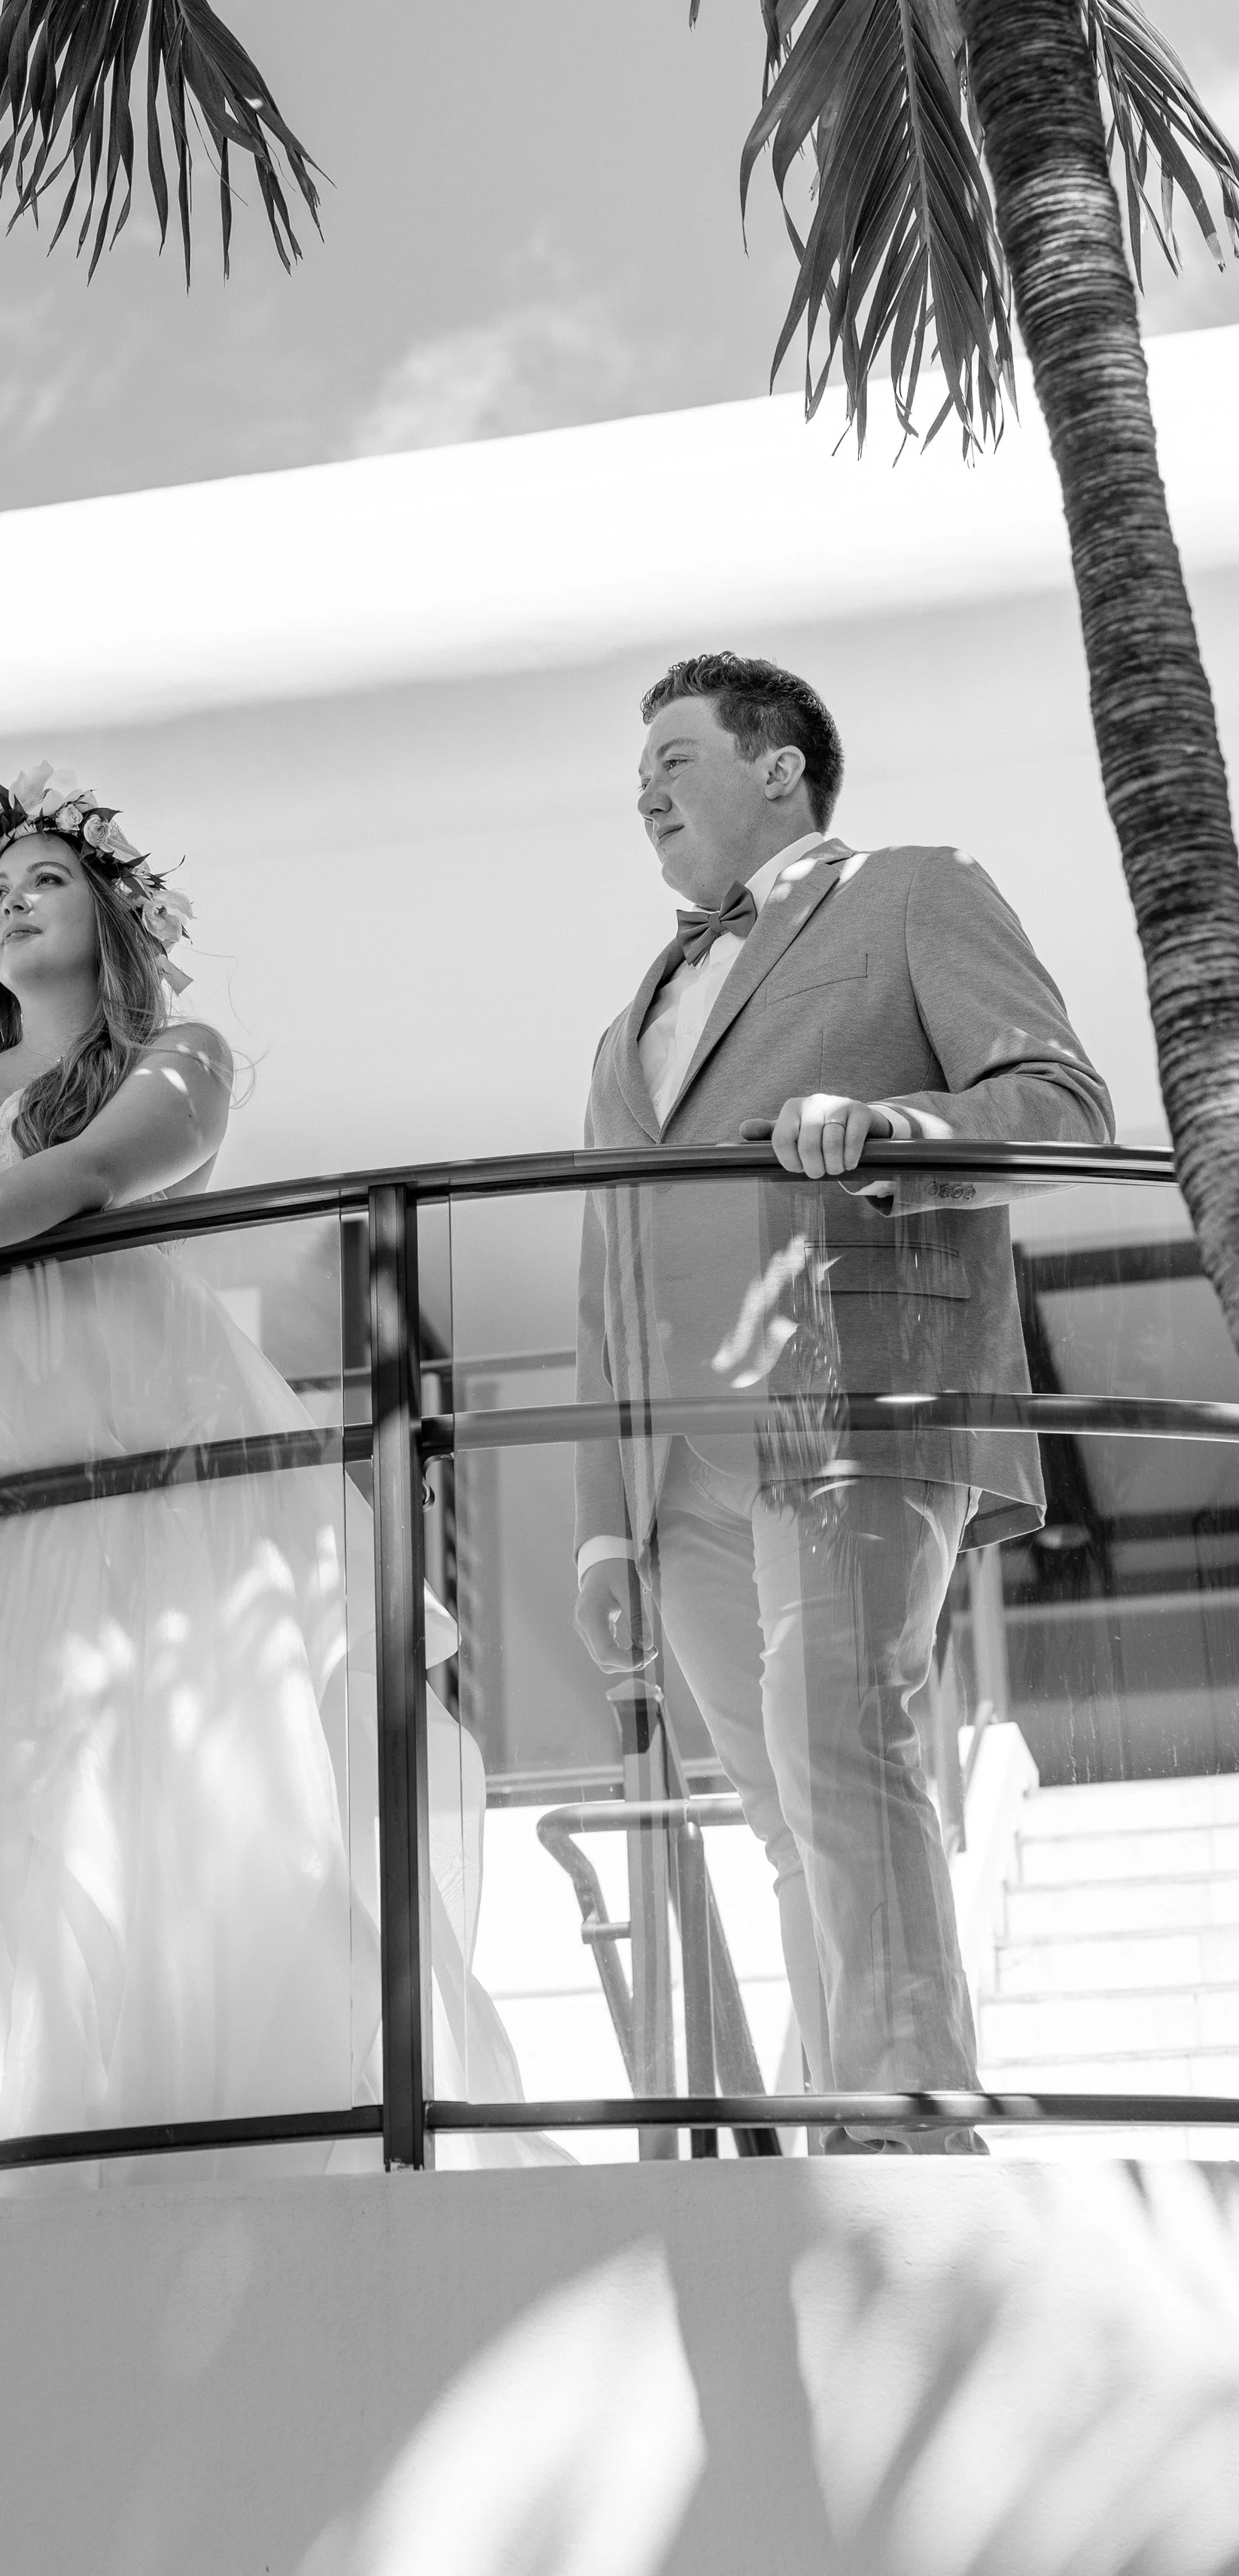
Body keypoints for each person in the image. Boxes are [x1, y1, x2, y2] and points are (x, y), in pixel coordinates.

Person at [0, 764, 528, 2189]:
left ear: (111, 910)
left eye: (43, 880)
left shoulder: (179, 1051)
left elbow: (93, 1175)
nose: (11, 907)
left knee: (157, 1758)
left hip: (122, 1407)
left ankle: (172, 2115)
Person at [574, 654, 1113, 2147]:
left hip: (853, 1383)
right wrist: (597, 1526)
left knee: (842, 1752)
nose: (643, 794)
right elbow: (599, 1270)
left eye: (671, 759)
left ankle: (906, 2122)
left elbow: (1061, 1104)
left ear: (777, 766)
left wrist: (895, 1122)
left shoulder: (912, 890)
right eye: (634, 779)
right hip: (675, 1468)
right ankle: (838, 2129)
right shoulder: (628, 1024)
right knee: (777, 1813)